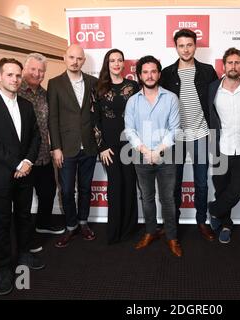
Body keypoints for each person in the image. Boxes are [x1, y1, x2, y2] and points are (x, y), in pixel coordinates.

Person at [0, 58, 44, 295]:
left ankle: (24, 255)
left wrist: (27, 162)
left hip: (25, 173)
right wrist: (16, 162)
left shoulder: (26, 105)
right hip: (1, 176)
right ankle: (4, 268)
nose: (14, 79)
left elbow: (36, 136)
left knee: (24, 217)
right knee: (2, 223)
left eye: (17, 75)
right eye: (9, 75)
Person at [160, 28, 218, 241]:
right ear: (176, 47)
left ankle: (202, 221)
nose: (185, 49)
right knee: (173, 183)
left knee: (201, 182)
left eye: (189, 45)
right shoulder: (166, 73)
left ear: (195, 46)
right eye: (181, 45)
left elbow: (215, 102)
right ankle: (172, 222)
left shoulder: (208, 71)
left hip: (200, 134)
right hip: (175, 137)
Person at [124, 55, 182, 257]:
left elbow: (175, 129)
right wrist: (144, 151)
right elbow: (129, 130)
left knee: (168, 199)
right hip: (141, 156)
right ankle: (150, 232)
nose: (150, 75)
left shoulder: (171, 98)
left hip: (166, 157)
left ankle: (172, 237)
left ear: (159, 73)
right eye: (145, 72)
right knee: (147, 198)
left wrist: (157, 152)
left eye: (153, 71)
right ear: (139, 75)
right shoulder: (132, 101)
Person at [48, 44, 98, 248]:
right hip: (65, 148)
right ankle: (70, 226)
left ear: (83, 60)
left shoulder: (93, 82)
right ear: (64, 58)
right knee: (67, 190)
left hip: (89, 146)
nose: (75, 61)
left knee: (86, 188)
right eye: (71, 57)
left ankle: (83, 222)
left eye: (79, 58)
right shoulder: (55, 83)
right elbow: (53, 117)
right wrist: (56, 147)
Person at [208, 47, 240, 244]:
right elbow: (208, 114)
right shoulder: (213, 88)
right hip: (221, 148)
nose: (233, 66)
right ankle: (226, 224)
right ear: (224, 66)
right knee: (221, 188)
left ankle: (213, 210)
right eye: (230, 62)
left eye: (237, 62)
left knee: (239, 187)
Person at [19, 53, 65, 253]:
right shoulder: (16, 92)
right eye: (33, 69)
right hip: (23, 158)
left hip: (44, 154)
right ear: (24, 70)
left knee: (47, 192)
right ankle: (25, 240)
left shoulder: (45, 94)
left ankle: (44, 223)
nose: (37, 74)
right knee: (24, 200)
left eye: (41, 71)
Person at [92, 49, 140, 244]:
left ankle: (129, 230)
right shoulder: (98, 87)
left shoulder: (134, 86)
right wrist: (101, 146)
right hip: (109, 146)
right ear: (107, 63)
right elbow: (94, 120)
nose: (117, 64)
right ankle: (114, 231)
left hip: (130, 143)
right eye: (112, 60)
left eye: (120, 60)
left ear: (124, 63)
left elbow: (140, 114)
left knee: (129, 184)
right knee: (115, 186)